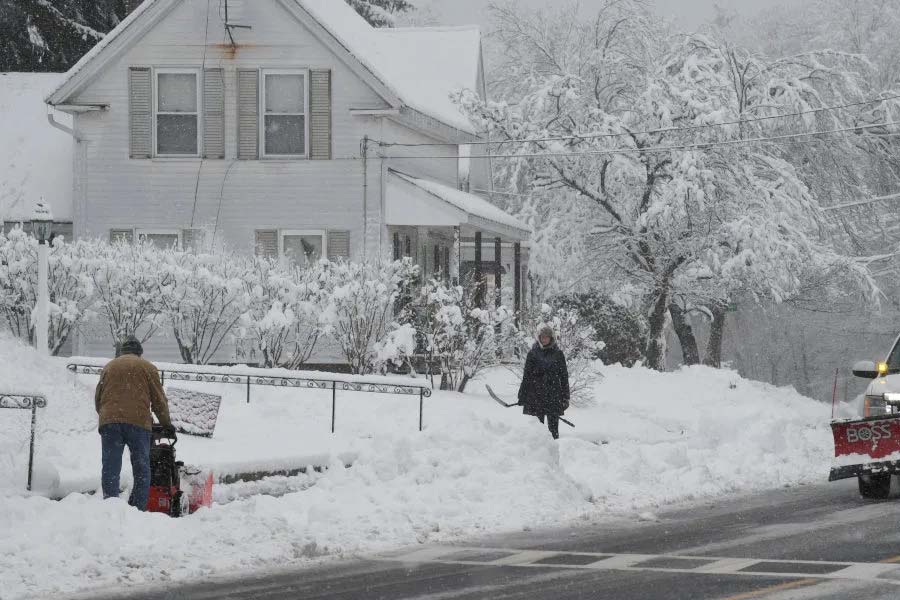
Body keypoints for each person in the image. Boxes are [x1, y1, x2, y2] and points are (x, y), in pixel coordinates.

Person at [94, 335, 173, 511]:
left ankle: (110, 508)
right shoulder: (148, 368)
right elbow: (159, 401)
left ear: (122, 351)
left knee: (111, 466)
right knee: (141, 468)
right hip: (138, 422)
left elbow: (98, 399)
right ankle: (138, 509)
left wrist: (110, 416)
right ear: (139, 353)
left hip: (110, 423)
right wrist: (166, 424)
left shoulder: (109, 367)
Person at [518, 324, 571, 440]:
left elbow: (564, 377)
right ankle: (538, 452)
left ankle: (554, 452)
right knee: (538, 429)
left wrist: (566, 397)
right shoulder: (533, 354)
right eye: (542, 337)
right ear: (539, 338)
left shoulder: (558, 354)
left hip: (553, 395)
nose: (544, 339)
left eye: (547, 337)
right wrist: (522, 394)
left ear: (551, 338)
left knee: (553, 430)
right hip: (536, 395)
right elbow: (526, 376)